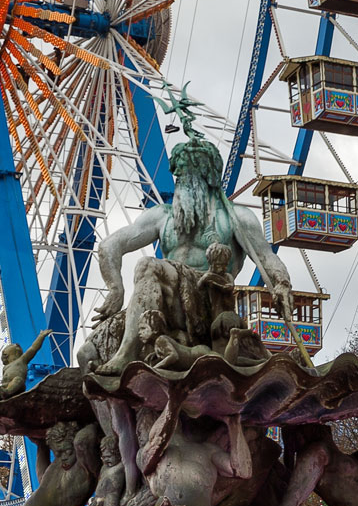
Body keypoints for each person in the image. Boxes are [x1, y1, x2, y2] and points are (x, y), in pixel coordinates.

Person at [92, 135, 293, 374]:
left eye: (187, 174)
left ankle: (126, 356)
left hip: (208, 302)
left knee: (147, 265)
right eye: (179, 176)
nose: (180, 182)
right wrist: (116, 288)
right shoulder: (163, 216)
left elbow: (266, 257)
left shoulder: (235, 218)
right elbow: (109, 246)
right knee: (89, 351)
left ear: (208, 175)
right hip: (166, 301)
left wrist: (281, 283)